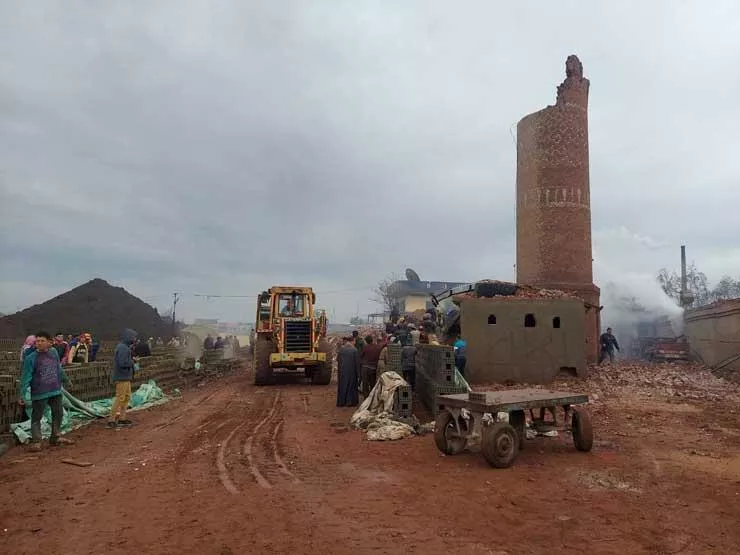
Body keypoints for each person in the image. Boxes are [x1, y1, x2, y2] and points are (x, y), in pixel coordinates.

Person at [18, 331, 73, 451]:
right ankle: (37, 441)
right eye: (37, 341)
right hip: (39, 392)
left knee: (58, 413)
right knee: (36, 416)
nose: (39, 343)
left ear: (49, 342)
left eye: (42, 341)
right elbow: (26, 377)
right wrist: (22, 394)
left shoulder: (53, 353)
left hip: (55, 390)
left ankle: (55, 436)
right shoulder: (31, 358)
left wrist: (66, 380)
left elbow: (58, 368)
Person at [108, 328, 138, 429]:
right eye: (133, 337)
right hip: (122, 377)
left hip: (126, 377)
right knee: (120, 398)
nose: (134, 339)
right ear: (129, 337)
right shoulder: (123, 348)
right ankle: (111, 420)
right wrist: (133, 362)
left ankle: (122, 418)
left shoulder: (124, 347)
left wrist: (131, 360)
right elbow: (122, 363)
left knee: (126, 397)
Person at [336, 337, 360, 407]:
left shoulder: (341, 349)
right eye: (354, 341)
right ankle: (350, 402)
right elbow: (357, 363)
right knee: (351, 386)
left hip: (342, 371)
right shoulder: (354, 350)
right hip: (352, 371)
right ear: (352, 341)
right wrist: (358, 373)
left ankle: (341, 402)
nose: (355, 342)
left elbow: (338, 360)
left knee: (343, 386)